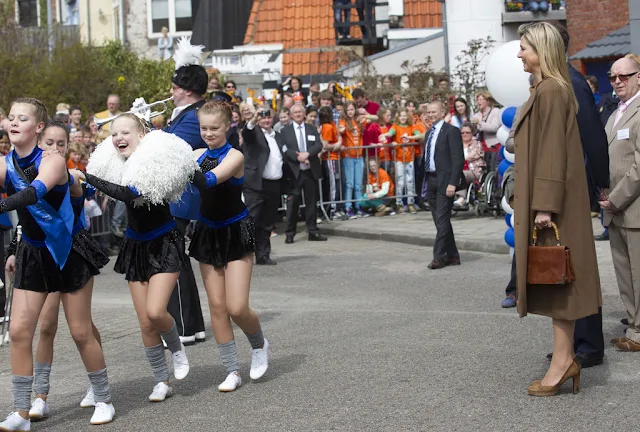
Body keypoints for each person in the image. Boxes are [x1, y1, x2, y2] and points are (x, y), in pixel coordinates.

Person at [0, 100, 114, 431]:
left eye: (23, 118)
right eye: (11, 117)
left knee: (80, 331)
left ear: (38, 127)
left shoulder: (52, 161)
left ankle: (103, 398)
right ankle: (22, 412)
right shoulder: (6, 163)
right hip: (33, 254)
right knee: (20, 331)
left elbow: (33, 194)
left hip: (66, 251)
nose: (15, 122)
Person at [78, 112, 197, 402]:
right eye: (114, 133)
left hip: (164, 241)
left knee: (157, 311)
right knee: (145, 321)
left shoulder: (154, 159)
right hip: (135, 244)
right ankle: (161, 380)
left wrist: (87, 177)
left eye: (126, 132)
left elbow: (130, 193)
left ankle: (177, 349)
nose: (119, 138)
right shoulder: (115, 163)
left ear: (142, 135)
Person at [513, 22, 601, 396]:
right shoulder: (549, 87)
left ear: (541, 50)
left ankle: (564, 362)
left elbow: (551, 151)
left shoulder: (550, 89)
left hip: (552, 207)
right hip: (554, 203)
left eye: (524, 48)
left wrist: (544, 206)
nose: (518, 54)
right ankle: (565, 359)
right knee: (557, 285)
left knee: (560, 283)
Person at [189, 101, 270, 391]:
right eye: (203, 128)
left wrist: (181, 167)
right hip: (207, 233)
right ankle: (232, 369)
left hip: (235, 231)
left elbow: (210, 180)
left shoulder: (234, 156)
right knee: (218, 306)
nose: (208, 133)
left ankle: (259, 344)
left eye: (214, 128)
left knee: (236, 307)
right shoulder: (196, 154)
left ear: (226, 126)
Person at [164, 38, 209, 346]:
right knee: (176, 260)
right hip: (178, 196)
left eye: (175, 87)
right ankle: (190, 326)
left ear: (187, 89)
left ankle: (182, 326)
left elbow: (171, 149)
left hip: (183, 197)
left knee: (172, 261)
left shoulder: (194, 116)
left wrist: (142, 130)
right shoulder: (186, 113)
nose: (171, 91)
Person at [600, 57, 640, 352]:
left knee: (638, 274)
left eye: (624, 76)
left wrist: (614, 199)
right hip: (615, 209)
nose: (617, 82)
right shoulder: (615, 113)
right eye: (613, 77)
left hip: (632, 207)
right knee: (624, 274)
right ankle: (633, 324)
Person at [419, 101, 464, 270]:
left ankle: (439, 256)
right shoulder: (429, 133)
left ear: (442, 112)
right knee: (439, 220)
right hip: (430, 179)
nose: (431, 115)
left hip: (445, 181)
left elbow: (458, 159)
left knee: (443, 218)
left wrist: (452, 183)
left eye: (434, 112)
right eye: (428, 112)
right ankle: (452, 255)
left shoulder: (451, 131)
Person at [277, 103, 327, 243]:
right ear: (291, 115)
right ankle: (290, 233)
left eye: (300, 111)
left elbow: (318, 145)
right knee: (293, 204)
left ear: (304, 113)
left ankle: (312, 231)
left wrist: (307, 154)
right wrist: (297, 156)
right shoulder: (284, 131)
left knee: (311, 202)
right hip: (294, 172)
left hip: (310, 170)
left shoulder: (311, 128)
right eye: (295, 112)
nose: (298, 114)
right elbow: (284, 148)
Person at [242, 106, 283, 265]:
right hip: (256, 184)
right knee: (251, 220)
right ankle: (243, 253)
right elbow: (247, 132)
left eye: (268, 117)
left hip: (274, 184)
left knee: (267, 222)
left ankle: (263, 254)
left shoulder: (277, 136)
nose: (266, 120)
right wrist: (252, 119)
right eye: (263, 118)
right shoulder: (254, 133)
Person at [381, 108, 422, 214]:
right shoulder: (395, 127)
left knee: (410, 181)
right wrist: (384, 135)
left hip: (409, 159)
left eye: (404, 115)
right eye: (401, 116)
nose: (403, 118)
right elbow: (390, 133)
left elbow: (419, 135)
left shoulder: (411, 127)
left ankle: (410, 203)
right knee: (400, 181)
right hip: (399, 159)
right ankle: (399, 203)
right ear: (398, 117)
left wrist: (409, 137)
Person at [339, 101, 365, 219]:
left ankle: (358, 206)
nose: (350, 112)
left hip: (359, 156)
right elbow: (340, 130)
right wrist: (342, 129)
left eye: (352, 109)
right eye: (348, 110)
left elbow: (374, 118)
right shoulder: (343, 121)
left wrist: (364, 114)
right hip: (348, 156)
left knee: (358, 185)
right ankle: (348, 207)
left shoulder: (358, 121)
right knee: (349, 184)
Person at [318, 106, 342, 220]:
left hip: (334, 157)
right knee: (332, 184)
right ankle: (332, 208)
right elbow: (325, 145)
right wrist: (336, 146)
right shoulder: (327, 127)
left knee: (335, 183)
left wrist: (339, 142)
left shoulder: (331, 124)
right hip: (329, 158)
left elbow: (337, 137)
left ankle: (335, 207)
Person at [454, 122, 485, 207]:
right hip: (459, 169)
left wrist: (461, 159)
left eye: (467, 132)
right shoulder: (457, 144)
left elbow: (474, 155)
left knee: (461, 174)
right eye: (462, 133)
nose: (465, 134)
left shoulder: (476, 143)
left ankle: (461, 198)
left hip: (473, 170)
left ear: (472, 133)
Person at [471, 92, 501, 171]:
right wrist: (473, 126)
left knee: (494, 169)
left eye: (481, 99)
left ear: (487, 101)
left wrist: (480, 123)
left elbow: (494, 127)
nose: (478, 102)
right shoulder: (477, 115)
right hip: (482, 148)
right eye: (477, 100)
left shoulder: (495, 111)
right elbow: (474, 132)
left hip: (494, 146)